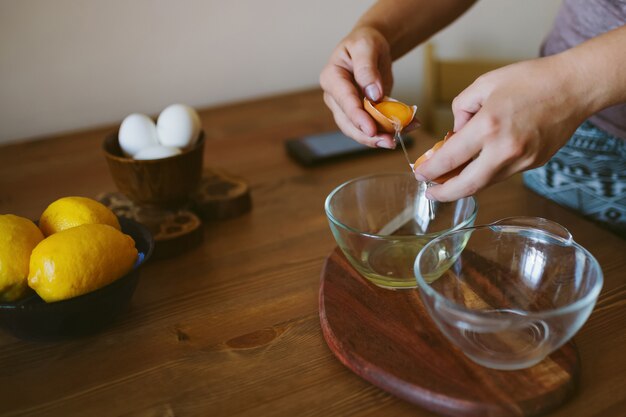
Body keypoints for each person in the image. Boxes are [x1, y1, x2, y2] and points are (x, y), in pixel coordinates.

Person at [320, 0, 626, 237]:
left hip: (562, 102)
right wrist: (377, 30)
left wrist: (571, 85)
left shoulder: (563, 93)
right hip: (577, 141)